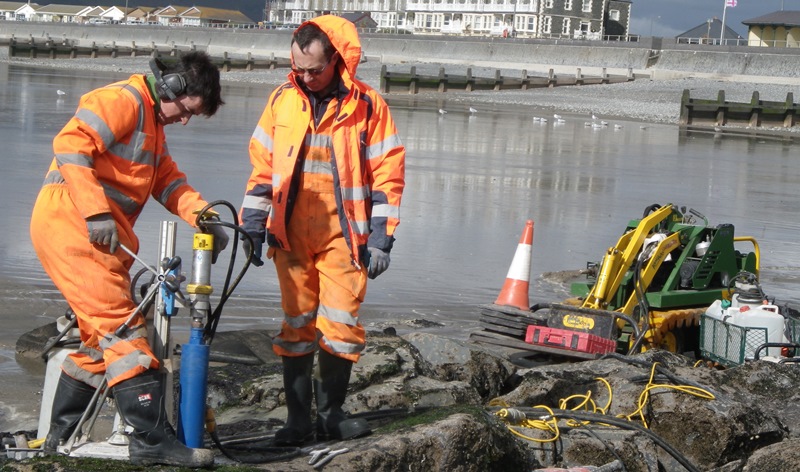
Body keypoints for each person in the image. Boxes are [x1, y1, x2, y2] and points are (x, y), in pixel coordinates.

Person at [30, 51, 228, 468]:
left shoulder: (152, 124)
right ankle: (151, 441)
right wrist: (97, 212)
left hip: (95, 232)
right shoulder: (123, 100)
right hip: (73, 223)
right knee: (124, 330)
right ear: (172, 87)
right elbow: (69, 144)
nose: (185, 120)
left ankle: (58, 437)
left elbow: (169, 181)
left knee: (97, 341)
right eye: (186, 110)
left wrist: (204, 216)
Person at [239, 15, 406, 446]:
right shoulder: (281, 100)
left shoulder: (367, 106)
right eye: (299, 69)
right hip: (289, 235)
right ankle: (297, 421)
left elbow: (388, 176)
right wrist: (252, 225)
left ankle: (331, 414)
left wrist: (383, 239)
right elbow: (262, 168)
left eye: (315, 69)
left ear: (336, 59)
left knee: (341, 324)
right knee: (296, 324)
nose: (307, 78)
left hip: (343, 238)